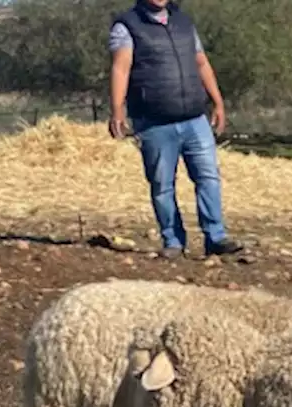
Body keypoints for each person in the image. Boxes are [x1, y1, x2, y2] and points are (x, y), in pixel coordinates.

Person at [108, 0, 243, 260]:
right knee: (162, 185)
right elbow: (120, 68)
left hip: (195, 118)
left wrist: (218, 102)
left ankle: (215, 237)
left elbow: (201, 63)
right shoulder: (127, 26)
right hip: (153, 122)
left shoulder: (184, 22)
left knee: (208, 178)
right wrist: (117, 109)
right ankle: (172, 241)